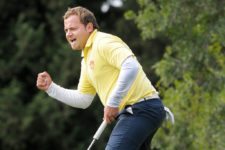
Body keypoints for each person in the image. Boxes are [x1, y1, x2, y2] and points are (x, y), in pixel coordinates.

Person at [36, 6, 166, 150]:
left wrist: (113, 102)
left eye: (73, 29)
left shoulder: (103, 42)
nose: (68, 34)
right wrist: (51, 88)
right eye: (66, 30)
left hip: (142, 109)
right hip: (139, 111)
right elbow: (83, 99)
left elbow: (131, 66)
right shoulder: (86, 58)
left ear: (89, 27)